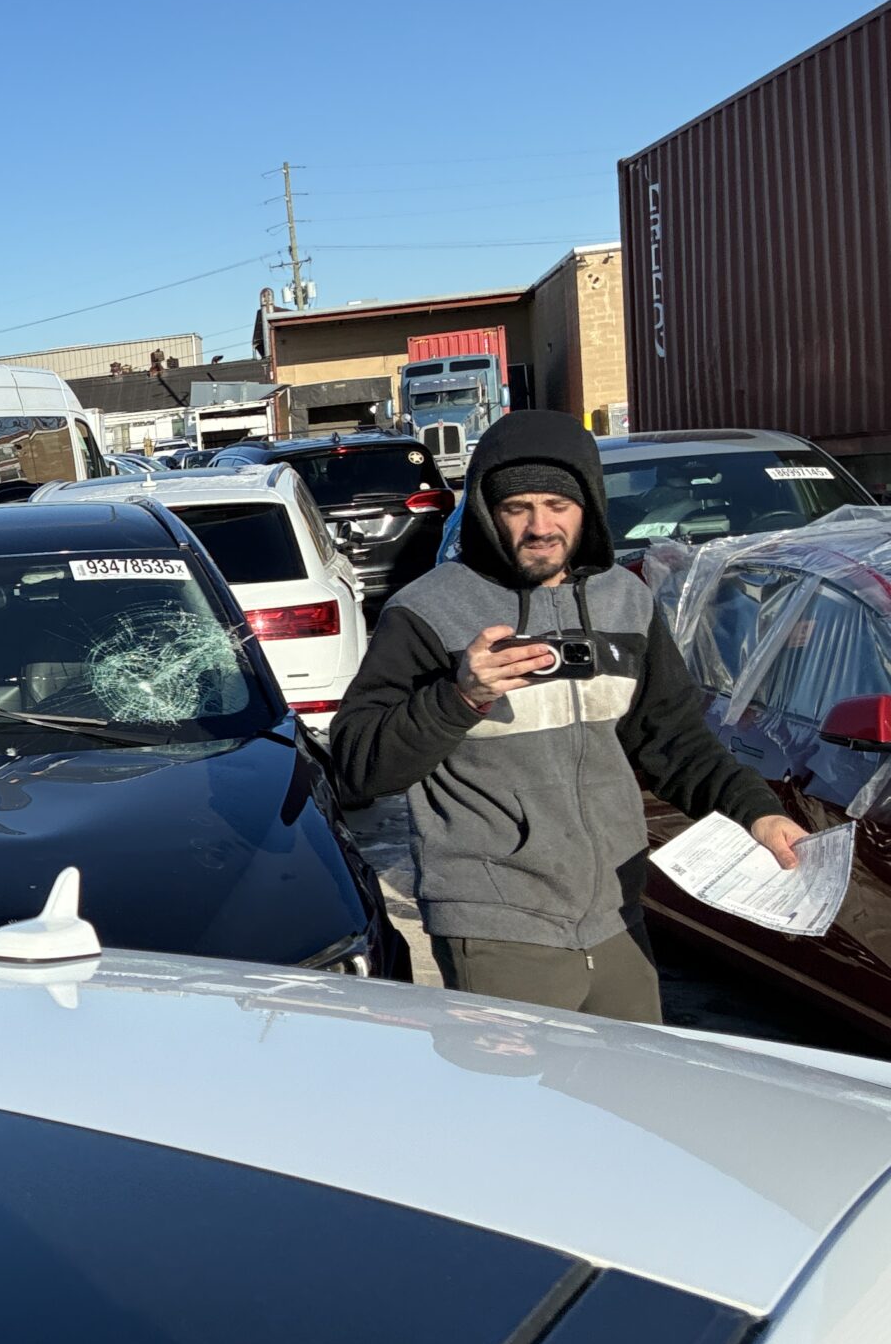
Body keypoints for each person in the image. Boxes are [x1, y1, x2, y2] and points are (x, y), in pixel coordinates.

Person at [331, 409, 807, 1023]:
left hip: (617, 915)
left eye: (558, 504)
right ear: (487, 512)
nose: (540, 526)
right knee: (516, 1088)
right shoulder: (426, 611)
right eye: (517, 507)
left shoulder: (627, 601)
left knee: (632, 1081)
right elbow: (357, 768)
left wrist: (757, 812)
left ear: (588, 507)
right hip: (497, 927)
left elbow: (675, 739)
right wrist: (459, 697)